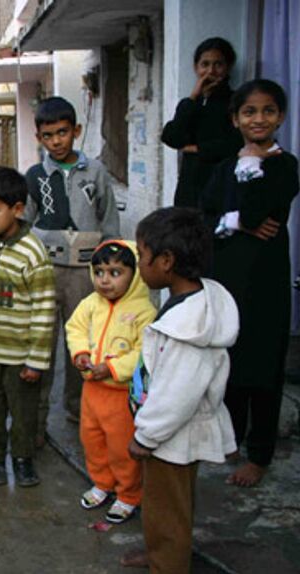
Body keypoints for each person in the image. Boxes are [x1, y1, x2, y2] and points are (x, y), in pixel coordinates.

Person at [121, 207, 238, 572]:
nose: (139, 264)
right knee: (167, 505)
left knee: (166, 507)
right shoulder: (189, 301)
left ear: (166, 261)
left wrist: (147, 435)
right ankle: (163, 553)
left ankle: (167, 563)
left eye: (142, 255)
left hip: (171, 437)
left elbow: (176, 395)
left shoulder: (190, 329)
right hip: (170, 434)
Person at [201, 79, 299, 487]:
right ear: (235, 118)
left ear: (280, 116)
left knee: (264, 365)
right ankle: (233, 438)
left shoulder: (285, 165)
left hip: (266, 281)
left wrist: (251, 170)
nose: (259, 119)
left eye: (268, 111)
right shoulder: (225, 166)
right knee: (230, 360)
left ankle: (259, 454)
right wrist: (234, 222)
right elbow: (206, 215)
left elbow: (260, 210)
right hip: (228, 278)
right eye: (249, 112)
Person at [23, 96, 120, 434]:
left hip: (85, 273)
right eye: (48, 135)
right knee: (42, 344)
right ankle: (36, 420)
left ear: (76, 131)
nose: (56, 141)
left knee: (80, 344)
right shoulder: (35, 175)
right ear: (39, 138)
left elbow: (108, 220)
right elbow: (24, 223)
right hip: (46, 273)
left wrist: (110, 269)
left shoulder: (96, 171)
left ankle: (80, 412)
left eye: (62, 133)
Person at [0, 166, 56, 487]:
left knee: (23, 414)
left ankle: (22, 459)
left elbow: (45, 310)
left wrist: (36, 359)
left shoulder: (33, 253)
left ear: (17, 209)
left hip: (21, 356)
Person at [65, 240, 156, 524]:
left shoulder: (144, 311)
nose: (105, 280)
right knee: (91, 439)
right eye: (100, 272)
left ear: (134, 274)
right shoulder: (90, 304)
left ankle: (128, 494)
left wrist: (114, 367)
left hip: (121, 394)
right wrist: (80, 354)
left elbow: (144, 353)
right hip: (92, 390)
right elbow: (75, 328)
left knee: (121, 447)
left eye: (116, 273)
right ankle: (103, 482)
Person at [162, 37, 243, 208]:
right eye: (204, 64)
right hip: (189, 187)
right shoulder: (191, 104)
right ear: (196, 67)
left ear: (228, 67)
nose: (210, 71)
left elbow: (236, 143)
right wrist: (193, 97)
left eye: (218, 64)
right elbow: (171, 137)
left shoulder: (237, 101)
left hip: (221, 185)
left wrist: (197, 149)